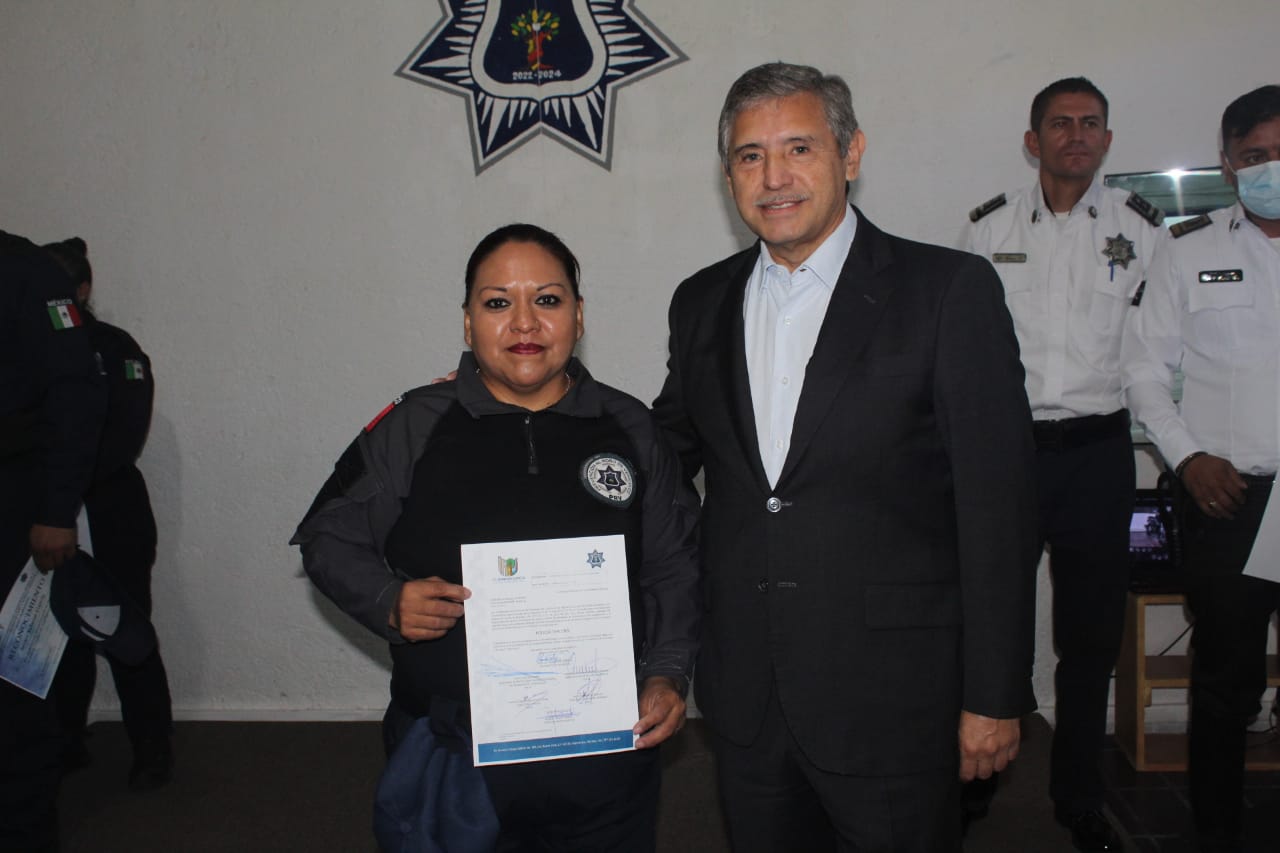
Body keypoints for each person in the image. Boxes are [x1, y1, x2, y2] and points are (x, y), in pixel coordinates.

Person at [651, 62, 1039, 852]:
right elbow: (662, 448)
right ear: (728, 176)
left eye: (799, 147)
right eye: (750, 156)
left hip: (894, 698)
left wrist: (995, 693)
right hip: (750, 696)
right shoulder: (700, 301)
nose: (775, 176)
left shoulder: (946, 292)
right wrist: (537, 406)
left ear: (851, 154)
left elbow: (998, 508)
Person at [291, 223, 700, 852]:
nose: (525, 324)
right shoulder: (414, 425)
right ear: (467, 322)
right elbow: (327, 536)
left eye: (548, 299)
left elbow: (672, 564)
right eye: (498, 302)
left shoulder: (630, 427)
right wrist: (386, 599)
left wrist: (669, 674)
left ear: (580, 315)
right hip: (453, 757)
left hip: (603, 758)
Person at [962, 77, 1166, 851]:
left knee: (1087, 639)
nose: (1075, 135)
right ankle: (975, 786)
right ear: (1032, 139)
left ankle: (1080, 798)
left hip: (1098, 453)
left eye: (1090, 124)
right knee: (993, 627)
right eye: (1059, 123)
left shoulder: (1145, 233)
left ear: (1107, 141)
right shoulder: (987, 230)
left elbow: (1151, 359)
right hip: (1007, 454)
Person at [1121, 84, 1280, 853]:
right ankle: (1217, 831)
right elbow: (1145, 373)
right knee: (1226, 682)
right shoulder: (1188, 250)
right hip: (1231, 497)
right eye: (1255, 156)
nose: (1271, 167)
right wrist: (1189, 460)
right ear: (1226, 165)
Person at [44, 238, 175, 791]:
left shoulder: (114, 348)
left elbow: (118, 437)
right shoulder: (27, 348)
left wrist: (56, 488)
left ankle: (152, 752)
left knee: (126, 633)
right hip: (42, 520)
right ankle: (63, 742)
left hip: (109, 513)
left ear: (82, 290)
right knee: (51, 638)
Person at [1, 229, 106, 852]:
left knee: (15, 688)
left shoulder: (26, 271)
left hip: (14, 503)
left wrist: (56, 510)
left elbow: (75, 394)